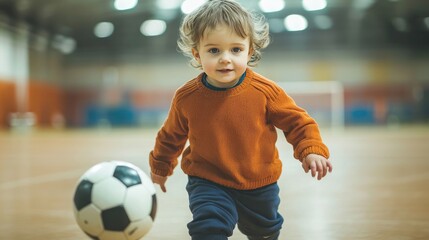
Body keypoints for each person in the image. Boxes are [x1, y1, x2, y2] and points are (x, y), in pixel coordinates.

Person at [149, 0, 333, 239]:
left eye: (236, 49)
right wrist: (161, 166)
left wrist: (311, 149)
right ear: (197, 53)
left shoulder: (265, 92)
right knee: (208, 227)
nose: (225, 58)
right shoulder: (186, 97)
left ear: (250, 52)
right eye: (214, 50)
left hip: (259, 182)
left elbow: (298, 122)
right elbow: (170, 135)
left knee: (264, 231)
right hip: (207, 179)